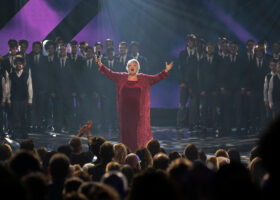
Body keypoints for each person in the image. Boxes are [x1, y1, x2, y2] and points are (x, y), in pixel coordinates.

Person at [95, 57, 173, 152]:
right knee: (127, 133)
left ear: (138, 68)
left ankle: (139, 151)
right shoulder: (121, 77)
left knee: (138, 134)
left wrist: (166, 70)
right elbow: (110, 73)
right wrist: (100, 65)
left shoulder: (144, 78)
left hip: (139, 113)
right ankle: (127, 151)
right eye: (130, 65)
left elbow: (155, 78)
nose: (132, 67)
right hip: (125, 113)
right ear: (127, 68)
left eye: (134, 65)